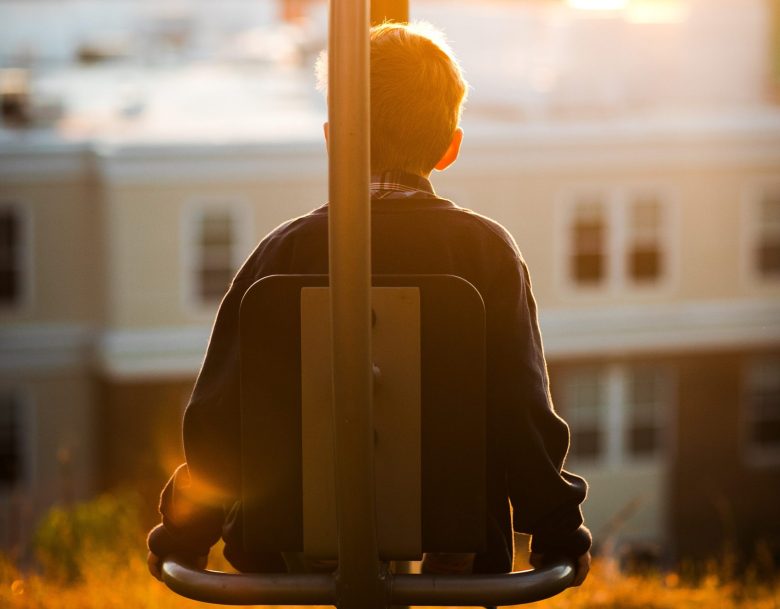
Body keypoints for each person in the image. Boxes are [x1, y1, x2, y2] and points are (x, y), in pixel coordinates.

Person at [147, 21, 592, 585]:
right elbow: (523, 415)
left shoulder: (280, 254)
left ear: (334, 139)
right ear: (450, 147)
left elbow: (219, 419)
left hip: (285, 559)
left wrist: (185, 534)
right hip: (456, 555)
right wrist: (557, 530)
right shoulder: (487, 255)